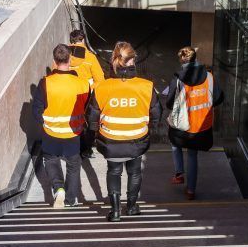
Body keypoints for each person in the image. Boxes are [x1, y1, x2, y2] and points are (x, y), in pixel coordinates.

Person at [87, 41, 162, 221]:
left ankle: (115, 212)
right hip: (137, 139)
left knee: (113, 172)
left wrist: (94, 134)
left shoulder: (102, 87)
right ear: (133, 60)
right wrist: (151, 129)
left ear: (114, 60)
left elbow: (91, 117)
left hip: (111, 140)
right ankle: (132, 207)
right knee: (134, 172)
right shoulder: (146, 86)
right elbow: (156, 113)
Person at [33, 44, 90, 208]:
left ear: (54, 61)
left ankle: (58, 188)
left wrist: (46, 122)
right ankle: (71, 199)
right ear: (70, 59)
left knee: (51, 160)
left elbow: (36, 111)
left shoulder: (45, 83)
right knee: (73, 165)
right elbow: (87, 107)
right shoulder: (83, 84)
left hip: (51, 132)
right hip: (73, 133)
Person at [166, 46, 224, 200]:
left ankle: (179, 173)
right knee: (192, 155)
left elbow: (169, 103)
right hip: (202, 126)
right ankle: (191, 190)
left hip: (183, 126)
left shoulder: (178, 79)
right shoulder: (210, 77)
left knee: (174, 143)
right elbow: (218, 98)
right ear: (196, 58)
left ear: (181, 60)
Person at [68, 29, 105, 159]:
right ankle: (86, 149)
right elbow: (100, 80)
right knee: (87, 122)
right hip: (85, 95)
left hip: (67, 93)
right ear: (83, 40)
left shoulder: (63, 55)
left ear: (71, 41)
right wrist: (91, 88)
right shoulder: (90, 57)